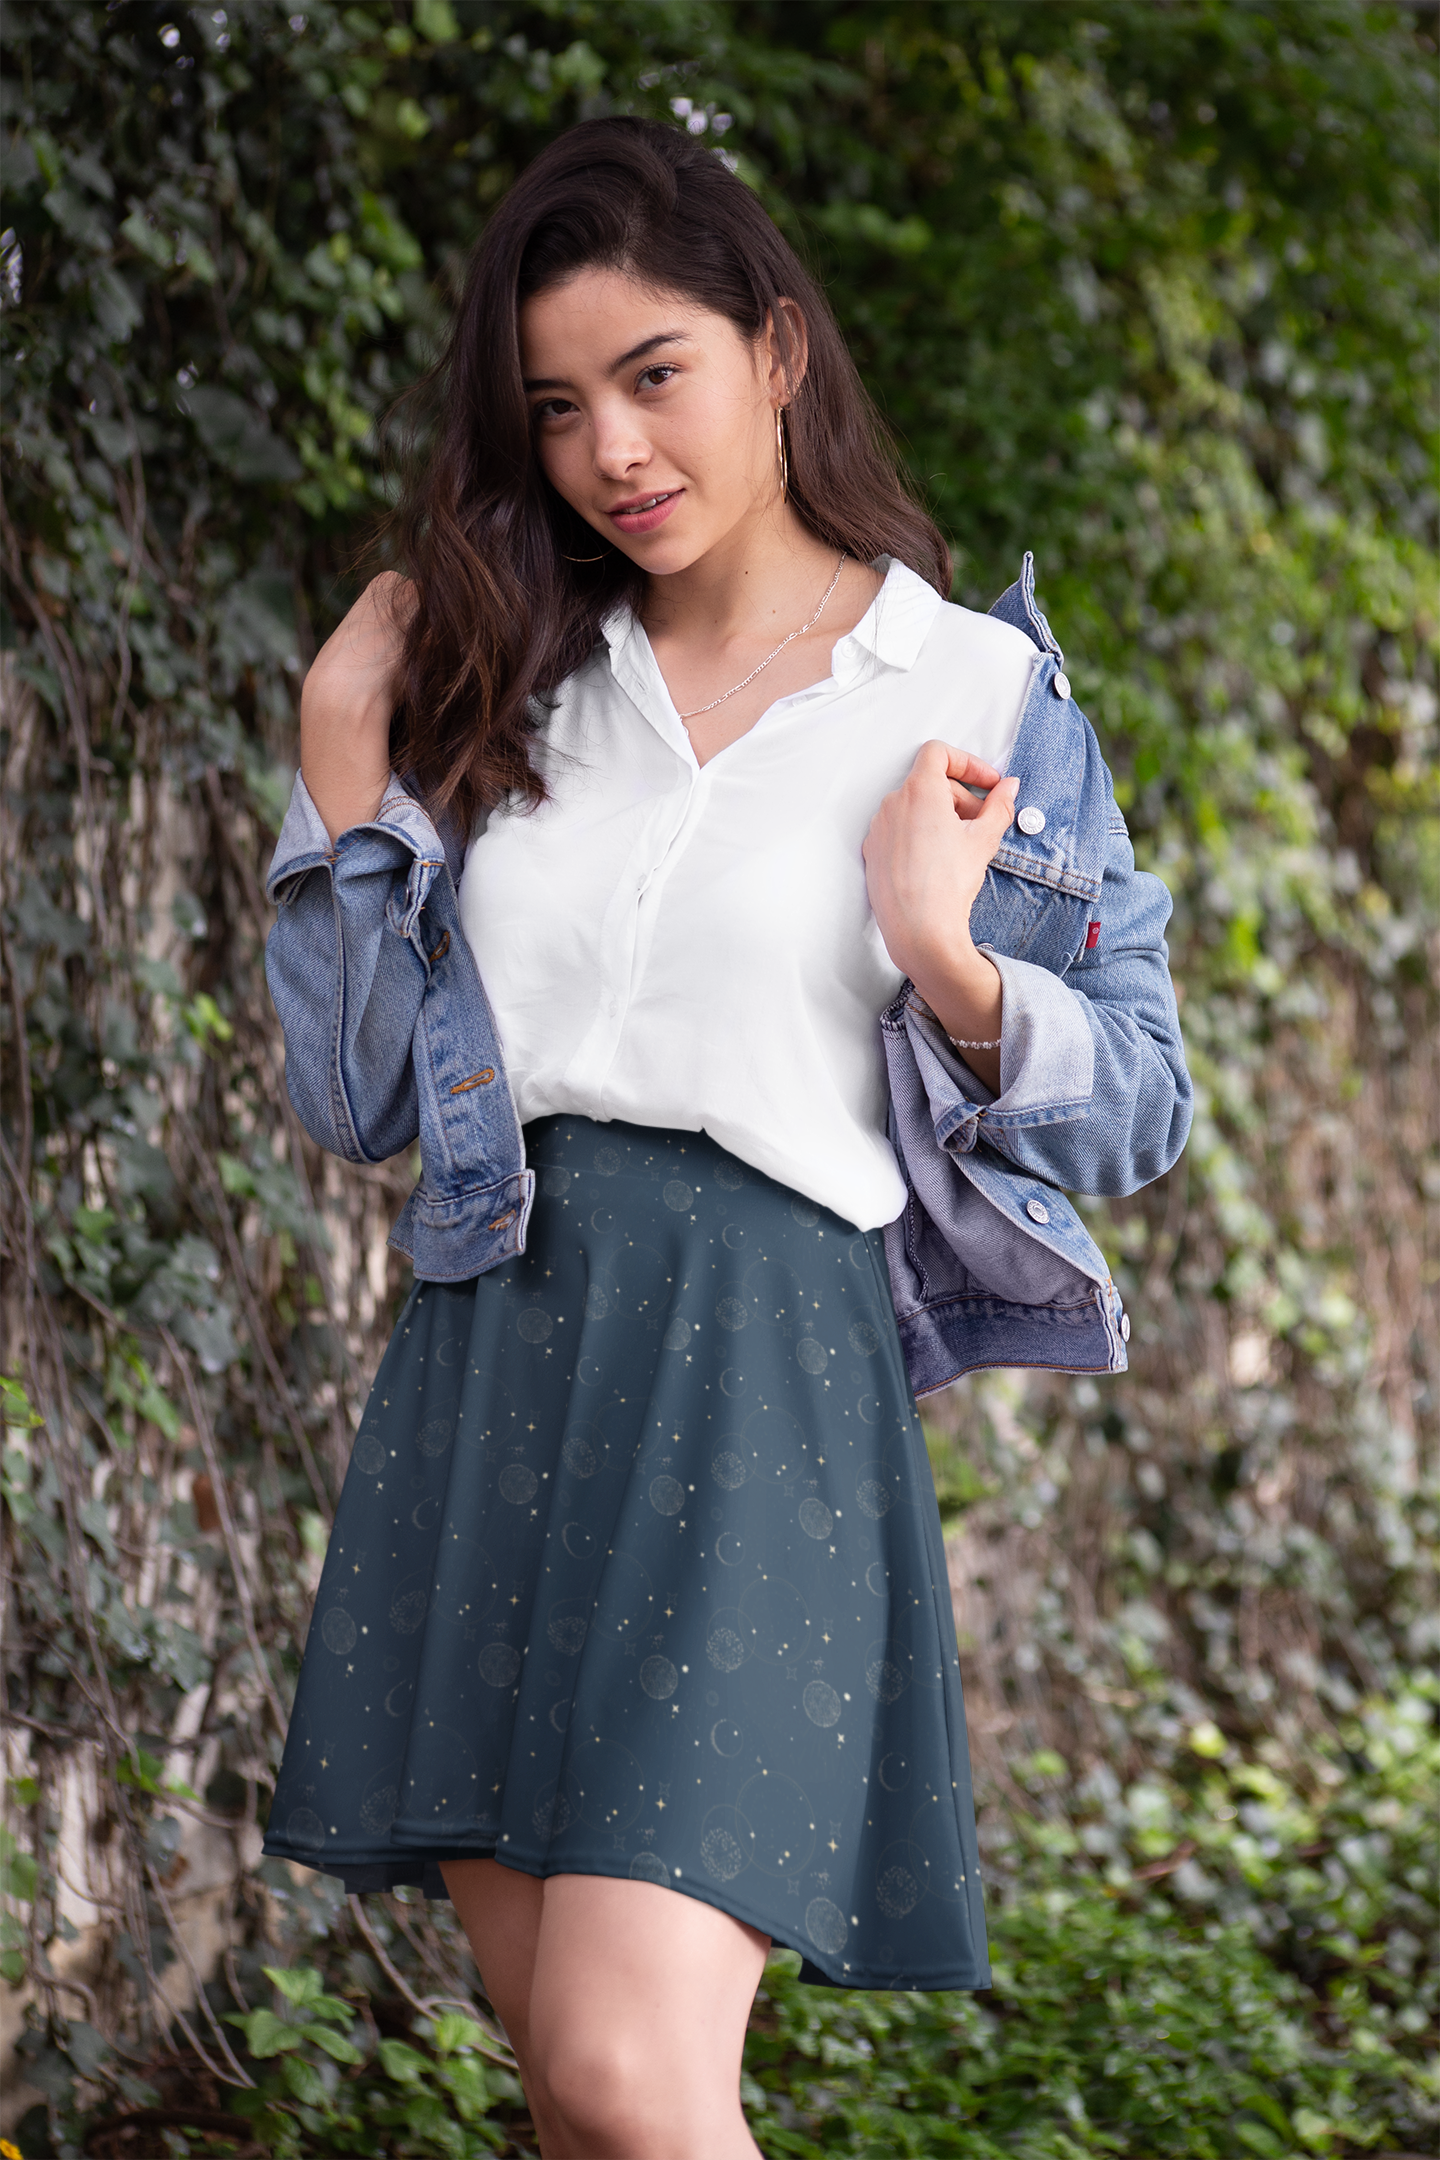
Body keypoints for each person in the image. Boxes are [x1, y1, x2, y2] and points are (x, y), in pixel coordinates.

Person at [260, 117, 1191, 2160]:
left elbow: (1141, 1097)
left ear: (778, 349)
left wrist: (948, 959)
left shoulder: (967, 689)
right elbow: (356, 1099)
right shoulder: (517, 676)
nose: (613, 449)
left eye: (655, 374)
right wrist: (346, 770)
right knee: (575, 2089)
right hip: (496, 1351)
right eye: (559, 407)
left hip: (758, 1372)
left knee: (626, 2068)